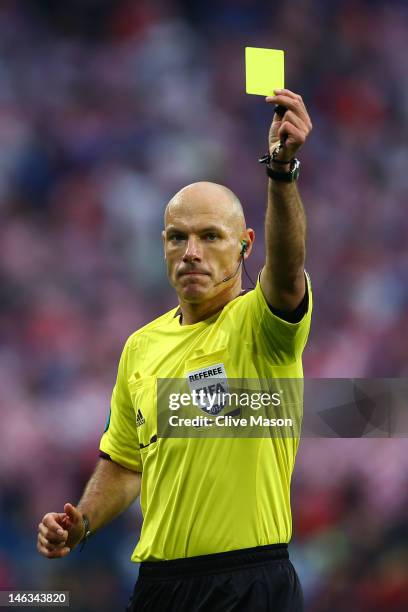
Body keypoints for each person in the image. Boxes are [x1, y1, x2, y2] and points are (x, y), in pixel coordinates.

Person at [37, 88, 313, 611]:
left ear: (245, 245)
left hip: (251, 582)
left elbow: (286, 273)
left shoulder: (262, 325)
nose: (191, 252)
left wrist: (281, 171)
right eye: (176, 237)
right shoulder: (141, 346)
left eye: (211, 236)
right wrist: (83, 520)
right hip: (159, 586)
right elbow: (124, 463)